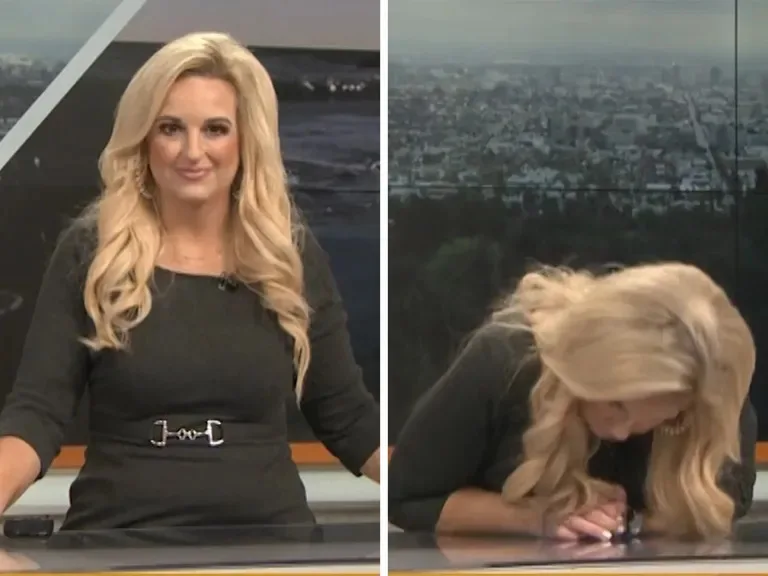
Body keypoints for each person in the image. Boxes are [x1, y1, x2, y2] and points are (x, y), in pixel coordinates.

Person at [0, 31, 380, 530]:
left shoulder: (287, 257)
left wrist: (436, 499)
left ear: (246, 141)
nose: (192, 151)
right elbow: (38, 412)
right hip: (118, 540)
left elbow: (346, 416)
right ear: (144, 139)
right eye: (171, 128)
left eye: (216, 129)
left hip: (272, 545)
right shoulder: (94, 252)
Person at [389, 262, 757, 541]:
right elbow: (407, 499)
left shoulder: (710, 398)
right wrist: (533, 519)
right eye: (614, 403)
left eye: (665, 419)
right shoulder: (505, 360)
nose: (619, 432)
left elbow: (723, 505)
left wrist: (628, 522)